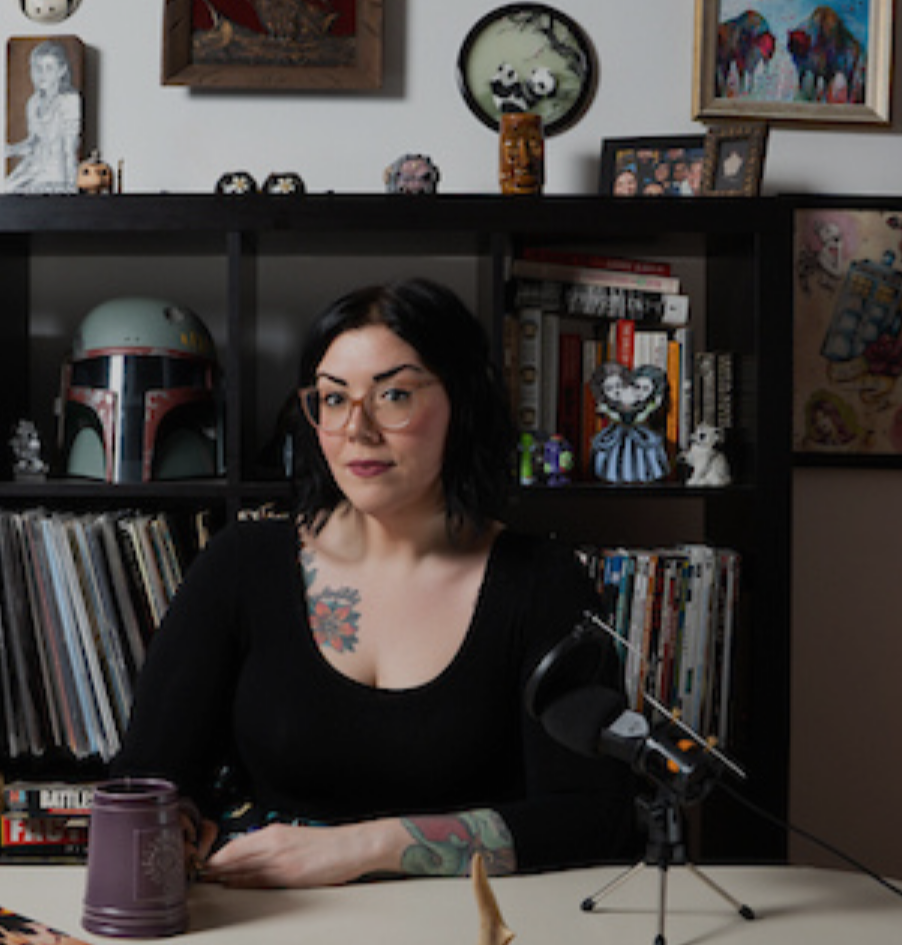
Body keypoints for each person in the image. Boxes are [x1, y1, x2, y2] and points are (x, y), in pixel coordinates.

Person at [111, 278, 633, 888]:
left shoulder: (542, 583)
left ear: (462, 401)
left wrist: (366, 847)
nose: (357, 429)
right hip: (271, 915)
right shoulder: (240, 566)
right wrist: (169, 830)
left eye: (394, 395)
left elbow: (595, 817)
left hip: (474, 920)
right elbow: (147, 777)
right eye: (334, 399)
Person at [4, 40, 81, 194]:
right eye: (37, 68)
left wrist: (71, 184)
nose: (42, 75)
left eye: (49, 68)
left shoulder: (70, 101)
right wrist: (11, 150)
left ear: (61, 70)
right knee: (7, 188)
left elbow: (70, 147)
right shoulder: (33, 102)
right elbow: (34, 143)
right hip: (34, 167)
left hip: (57, 172)